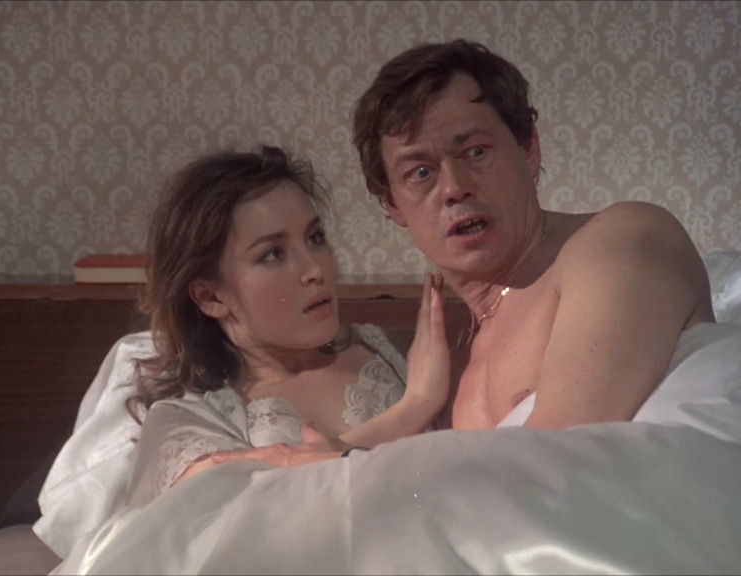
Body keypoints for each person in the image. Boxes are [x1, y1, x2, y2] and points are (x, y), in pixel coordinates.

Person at [211, 38, 715, 468]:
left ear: (528, 148)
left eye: (475, 152)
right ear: (392, 205)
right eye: (420, 173)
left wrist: (344, 459)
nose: (454, 188)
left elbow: (559, 469)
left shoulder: (622, 241)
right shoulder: (443, 352)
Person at [123, 145, 450, 503]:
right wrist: (415, 407)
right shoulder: (184, 425)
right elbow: (271, 513)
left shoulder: (401, 351)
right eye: (273, 254)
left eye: (315, 238)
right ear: (210, 296)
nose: (315, 269)